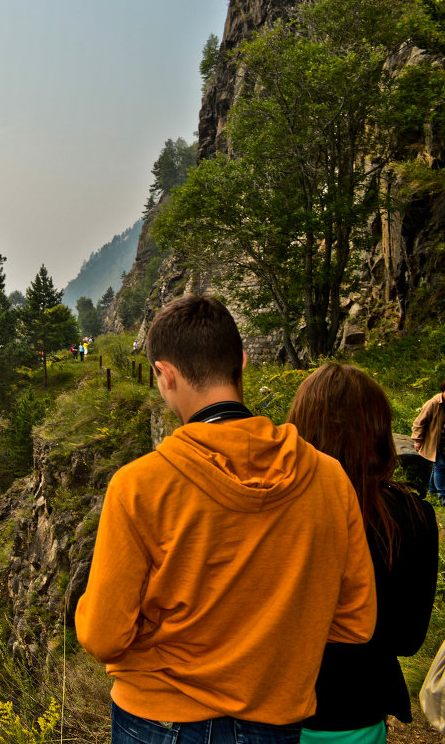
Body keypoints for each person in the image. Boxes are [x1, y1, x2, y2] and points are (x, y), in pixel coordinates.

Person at [75, 294, 376, 744]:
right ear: (242, 360)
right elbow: (356, 622)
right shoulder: (329, 479)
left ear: (164, 374)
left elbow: (102, 636)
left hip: (159, 719)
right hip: (275, 719)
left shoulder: (139, 485)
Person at [288, 363, 438, 744]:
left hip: (272, 705)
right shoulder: (411, 515)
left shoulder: (271, 506)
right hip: (358, 708)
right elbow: (407, 639)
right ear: (379, 430)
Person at [412, 380, 445, 500]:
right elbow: (419, 423)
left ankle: (432, 491)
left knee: (437, 467)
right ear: (442, 391)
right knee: (440, 466)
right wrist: (417, 440)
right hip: (434, 442)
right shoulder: (433, 403)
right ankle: (442, 496)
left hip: (444, 442)